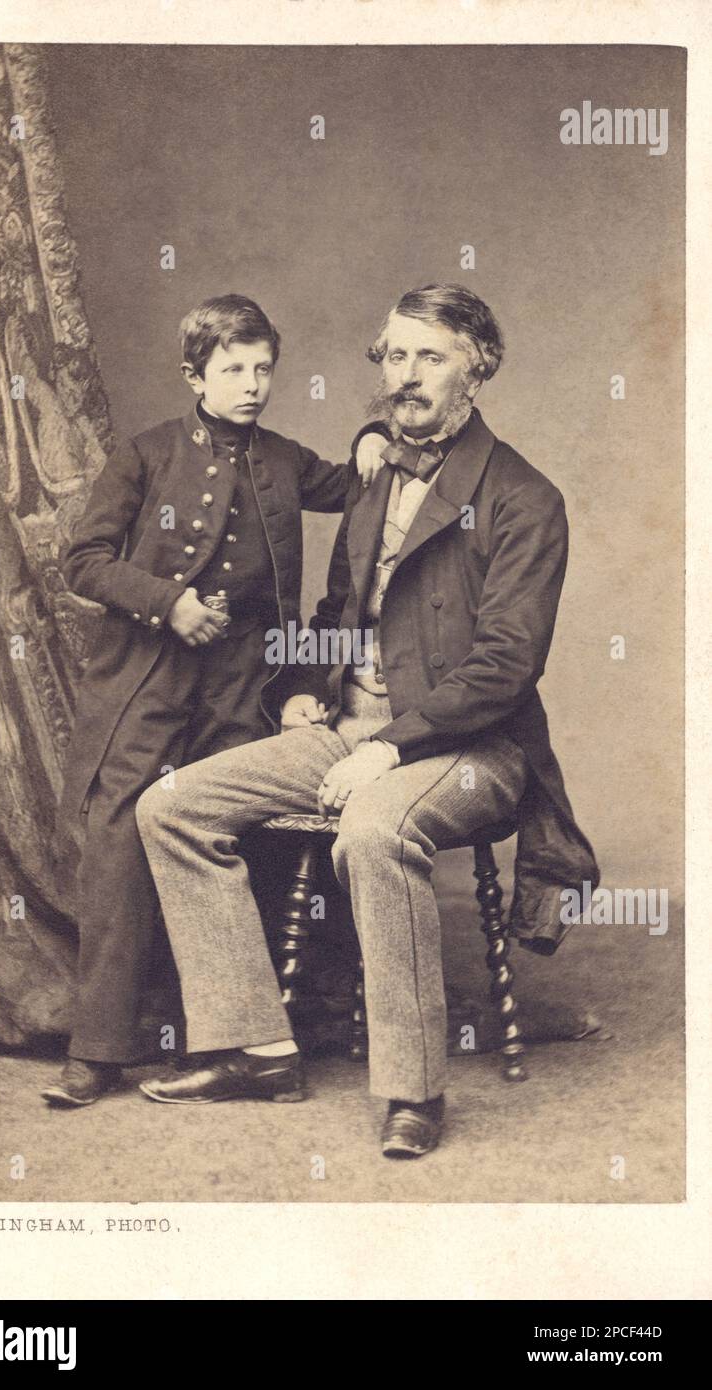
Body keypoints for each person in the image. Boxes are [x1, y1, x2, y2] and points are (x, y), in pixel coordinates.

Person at [134, 283, 600, 1158]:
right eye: (393, 355)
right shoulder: (370, 480)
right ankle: (257, 1047)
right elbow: (338, 609)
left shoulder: (522, 497)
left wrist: (386, 746)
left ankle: (413, 1091)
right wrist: (307, 688)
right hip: (347, 728)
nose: (407, 374)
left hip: (471, 750)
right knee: (171, 807)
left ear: (477, 367)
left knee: (372, 835)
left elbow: (505, 665)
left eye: (430, 355)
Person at [42, 294, 387, 1106]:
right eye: (233, 369)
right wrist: (167, 601)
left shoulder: (283, 459)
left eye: (264, 368)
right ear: (195, 374)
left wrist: (370, 436)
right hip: (147, 679)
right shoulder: (146, 454)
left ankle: (244, 1043)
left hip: (245, 687)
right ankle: (97, 1054)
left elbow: (352, 487)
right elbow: (82, 560)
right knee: (122, 840)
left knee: (237, 840)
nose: (252, 385)